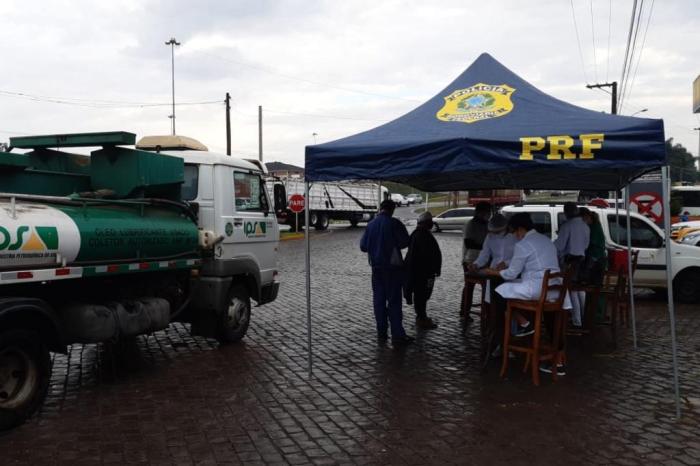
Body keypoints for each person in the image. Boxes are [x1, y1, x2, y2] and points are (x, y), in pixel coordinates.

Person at [484, 213, 571, 375]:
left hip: (537, 288)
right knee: (552, 319)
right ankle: (558, 362)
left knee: (499, 291)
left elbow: (510, 274)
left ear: (521, 229)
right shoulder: (545, 240)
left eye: (514, 232)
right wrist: (507, 263)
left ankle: (524, 323)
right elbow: (532, 258)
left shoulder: (523, 244)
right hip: (555, 289)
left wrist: (493, 272)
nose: (514, 236)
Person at [360, 199, 413, 345]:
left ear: (381, 208)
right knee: (394, 301)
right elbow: (404, 242)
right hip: (393, 268)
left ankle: (381, 332)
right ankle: (397, 334)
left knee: (379, 301)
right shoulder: (394, 223)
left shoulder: (371, 225)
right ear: (392, 209)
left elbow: (363, 246)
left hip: (376, 269)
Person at [554, 202, 590, 327]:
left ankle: (576, 321)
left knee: (572, 289)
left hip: (570, 260)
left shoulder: (567, 226)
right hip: (582, 259)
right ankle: (584, 317)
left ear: (566, 212)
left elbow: (559, 246)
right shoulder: (585, 226)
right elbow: (586, 245)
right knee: (580, 289)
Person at [468, 213, 517, 305]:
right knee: (492, 298)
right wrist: (476, 264)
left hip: (511, 270)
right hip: (493, 271)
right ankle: (492, 314)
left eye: (498, 232)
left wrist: (506, 263)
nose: (496, 234)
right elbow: (484, 254)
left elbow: (519, 256)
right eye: (494, 232)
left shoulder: (514, 236)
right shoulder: (490, 236)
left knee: (507, 299)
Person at [404, 212, 442, 330]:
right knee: (421, 295)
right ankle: (421, 318)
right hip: (422, 273)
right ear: (426, 223)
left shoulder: (420, 234)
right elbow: (426, 255)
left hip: (422, 272)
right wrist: (434, 268)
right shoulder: (421, 235)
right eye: (430, 222)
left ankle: (421, 316)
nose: (431, 224)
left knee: (422, 295)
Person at [461, 202, 491, 321]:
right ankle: (464, 310)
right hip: (470, 259)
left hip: (484, 260)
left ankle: (487, 311)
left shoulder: (487, 225)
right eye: (486, 212)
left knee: (488, 285)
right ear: (479, 212)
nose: (488, 215)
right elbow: (469, 243)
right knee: (469, 286)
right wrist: (486, 247)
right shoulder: (470, 224)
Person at [579, 207, 606, 286]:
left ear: (586, 217)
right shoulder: (594, 225)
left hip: (595, 258)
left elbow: (590, 242)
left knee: (589, 283)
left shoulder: (594, 227)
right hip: (597, 257)